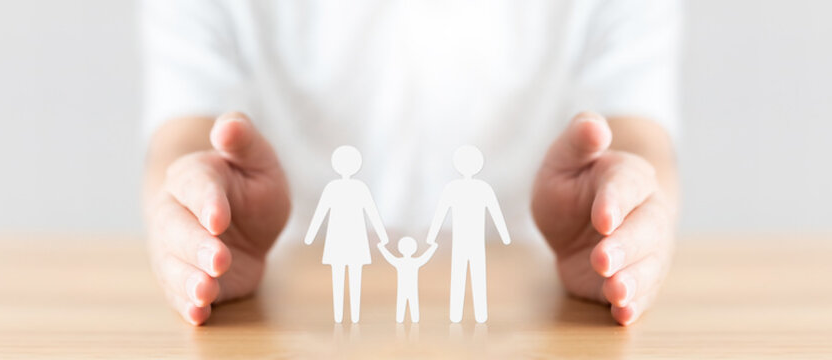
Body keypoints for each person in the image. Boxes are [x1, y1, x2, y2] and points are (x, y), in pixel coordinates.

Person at [141, 0, 680, 326]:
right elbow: (185, 124)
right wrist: (199, 211)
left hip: (529, 306)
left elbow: (637, 124)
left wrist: (623, 211)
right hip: (295, 308)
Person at [302, 146, 389, 323]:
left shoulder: (348, 188)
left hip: (349, 238)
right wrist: (382, 236)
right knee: (344, 275)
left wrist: (382, 234)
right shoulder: (347, 188)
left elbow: (371, 211)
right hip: (342, 239)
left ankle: (348, 316)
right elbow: (322, 211)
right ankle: (343, 315)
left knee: (344, 275)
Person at [425, 145, 511, 323]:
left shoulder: (464, 188)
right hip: (465, 242)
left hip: (472, 242)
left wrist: (504, 235)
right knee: (467, 275)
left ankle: (473, 315)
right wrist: (432, 236)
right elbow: (441, 212)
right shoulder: (470, 188)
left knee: (467, 274)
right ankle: (465, 315)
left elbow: (494, 211)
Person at [377, 236, 438, 323]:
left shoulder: (399, 262)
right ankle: (411, 319)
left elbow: (389, 257)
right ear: (414, 248)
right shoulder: (414, 262)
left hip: (405, 288)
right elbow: (425, 257)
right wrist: (433, 247)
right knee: (412, 303)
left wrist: (381, 247)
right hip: (410, 288)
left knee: (403, 303)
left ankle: (402, 319)